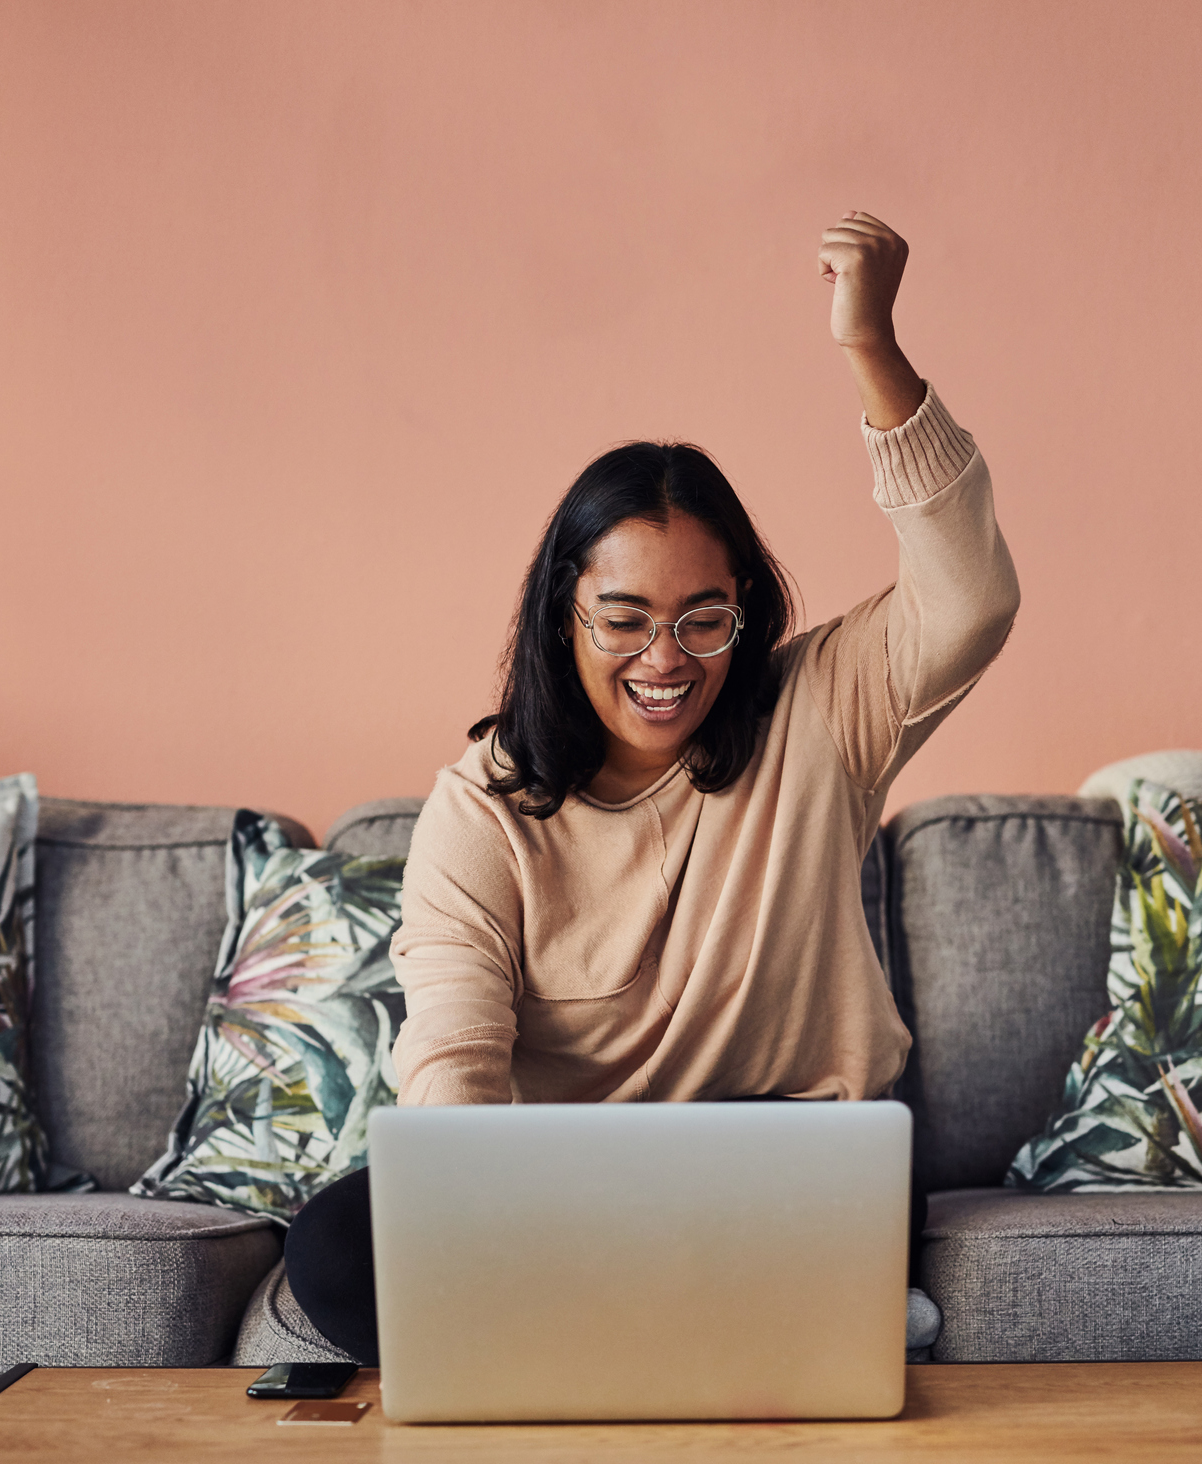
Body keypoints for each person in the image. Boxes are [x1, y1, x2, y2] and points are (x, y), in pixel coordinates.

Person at [284, 211, 1020, 1363]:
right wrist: (474, 1211)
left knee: (798, 1212)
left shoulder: (814, 711)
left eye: (702, 619)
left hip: (786, 1161)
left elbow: (968, 599)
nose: (665, 658)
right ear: (562, 615)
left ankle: (626, 1330)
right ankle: (730, 1326)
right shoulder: (482, 807)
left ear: (746, 614)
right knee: (335, 1242)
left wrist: (869, 347)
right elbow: (452, 1064)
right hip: (562, 1187)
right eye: (623, 618)